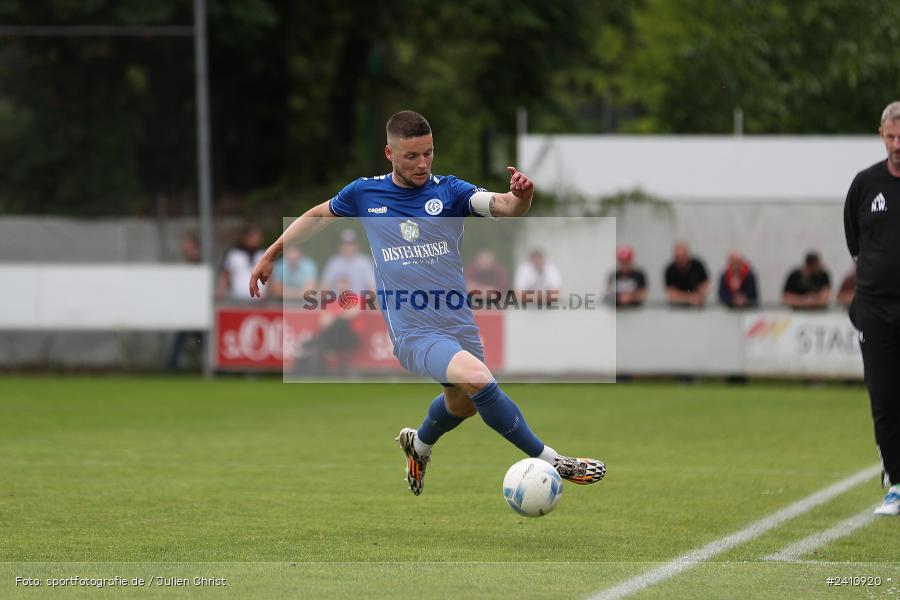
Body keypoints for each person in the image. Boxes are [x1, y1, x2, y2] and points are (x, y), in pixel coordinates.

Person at [249, 110, 604, 496]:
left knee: (464, 403)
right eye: (412, 156)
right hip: (414, 332)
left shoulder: (450, 191)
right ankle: (554, 461)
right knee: (479, 380)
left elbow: (503, 206)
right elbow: (320, 215)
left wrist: (523, 196)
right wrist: (274, 251)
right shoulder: (365, 193)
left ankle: (418, 444)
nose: (422, 164)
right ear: (389, 153)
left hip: (459, 324)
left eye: (429, 154)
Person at [843, 100, 900, 515]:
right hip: (875, 309)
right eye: (892, 136)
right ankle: (896, 484)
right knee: (883, 398)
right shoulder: (865, 184)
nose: (898, 144)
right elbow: (855, 244)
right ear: (881, 135)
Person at [166, 232, 205, 369]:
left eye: (188, 247)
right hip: (187, 313)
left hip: (200, 313)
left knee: (204, 342)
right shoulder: (184, 267)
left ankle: (215, 369)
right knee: (181, 340)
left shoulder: (202, 267)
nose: (185, 249)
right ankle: (170, 368)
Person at [320, 229, 375, 295]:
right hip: (337, 302)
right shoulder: (333, 262)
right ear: (340, 246)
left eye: (350, 244)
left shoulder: (365, 262)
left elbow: (372, 286)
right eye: (346, 244)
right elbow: (324, 286)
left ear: (356, 246)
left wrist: (368, 303)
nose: (348, 247)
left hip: (361, 302)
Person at [219, 225, 267, 300]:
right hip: (238, 301)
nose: (255, 239)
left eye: (257, 237)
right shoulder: (234, 255)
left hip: (260, 301)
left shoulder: (264, 254)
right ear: (245, 238)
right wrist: (221, 292)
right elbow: (226, 275)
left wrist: (269, 296)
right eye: (252, 236)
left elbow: (269, 278)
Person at [664, 242, 709, 307]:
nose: (681, 259)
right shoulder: (670, 269)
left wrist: (700, 294)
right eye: (678, 256)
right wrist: (690, 298)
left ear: (688, 254)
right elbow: (671, 294)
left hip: (697, 305)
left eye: (683, 255)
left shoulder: (697, 265)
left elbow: (705, 284)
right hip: (677, 306)